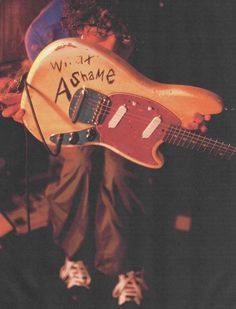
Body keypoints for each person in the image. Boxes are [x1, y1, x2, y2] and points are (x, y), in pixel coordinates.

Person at [1, 0, 211, 308]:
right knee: (75, 168)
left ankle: (123, 265)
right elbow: (35, 82)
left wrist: (184, 113)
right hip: (70, 110)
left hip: (127, 111)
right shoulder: (45, 32)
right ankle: (73, 255)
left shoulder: (154, 23)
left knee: (122, 174)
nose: (111, 48)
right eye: (100, 34)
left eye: (124, 40)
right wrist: (26, 99)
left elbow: (172, 84)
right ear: (76, 27)